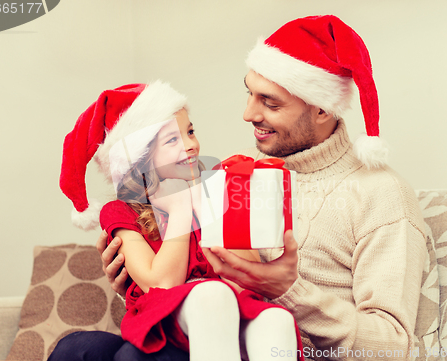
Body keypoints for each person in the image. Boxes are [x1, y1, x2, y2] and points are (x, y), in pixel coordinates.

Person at [53, 81, 302, 361]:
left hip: (228, 314)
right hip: (168, 318)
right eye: (173, 140)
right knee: (211, 294)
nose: (191, 145)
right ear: (141, 159)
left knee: (275, 320)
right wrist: (181, 209)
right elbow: (162, 284)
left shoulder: (217, 189)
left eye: (190, 132)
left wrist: (208, 205)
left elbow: (247, 276)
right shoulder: (121, 211)